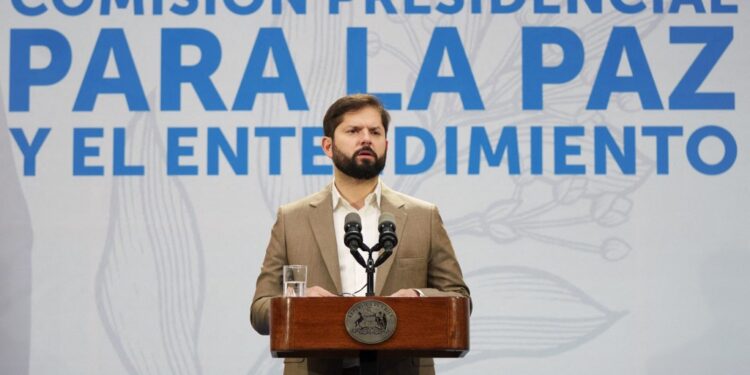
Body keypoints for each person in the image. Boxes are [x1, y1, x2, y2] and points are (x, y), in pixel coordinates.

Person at [250, 94, 470, 375]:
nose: (366, 139)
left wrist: (417, 296)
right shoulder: (292, 219)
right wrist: (299, 302)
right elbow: (259, 310)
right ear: (328, 146)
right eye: (353, 131)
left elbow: (459, 298)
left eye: (375, 132)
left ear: (386, 145)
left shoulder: (422, 217)